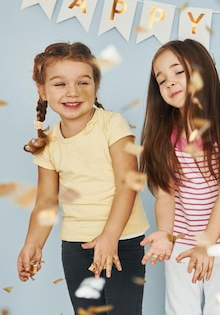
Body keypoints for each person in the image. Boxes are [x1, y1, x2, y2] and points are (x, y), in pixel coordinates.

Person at [17, 42, 149, 315]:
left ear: (95, 87)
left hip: (122, 242)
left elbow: (129, 183)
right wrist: (33, 244)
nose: (72, 92)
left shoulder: (112, 124)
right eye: (60, 84)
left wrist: (110, 236)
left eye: (82, 82)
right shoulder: (49, 143)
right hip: (76, 248)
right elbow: (45, 203)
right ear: (42, 90)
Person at [139, 39, 220, 315]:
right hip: (181, 240)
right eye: (162, 79)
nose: (170, 83)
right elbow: (165, 194)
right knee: (180, 309)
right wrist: (165, 234)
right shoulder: (163, 137)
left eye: (178, 72)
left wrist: (207, 243)